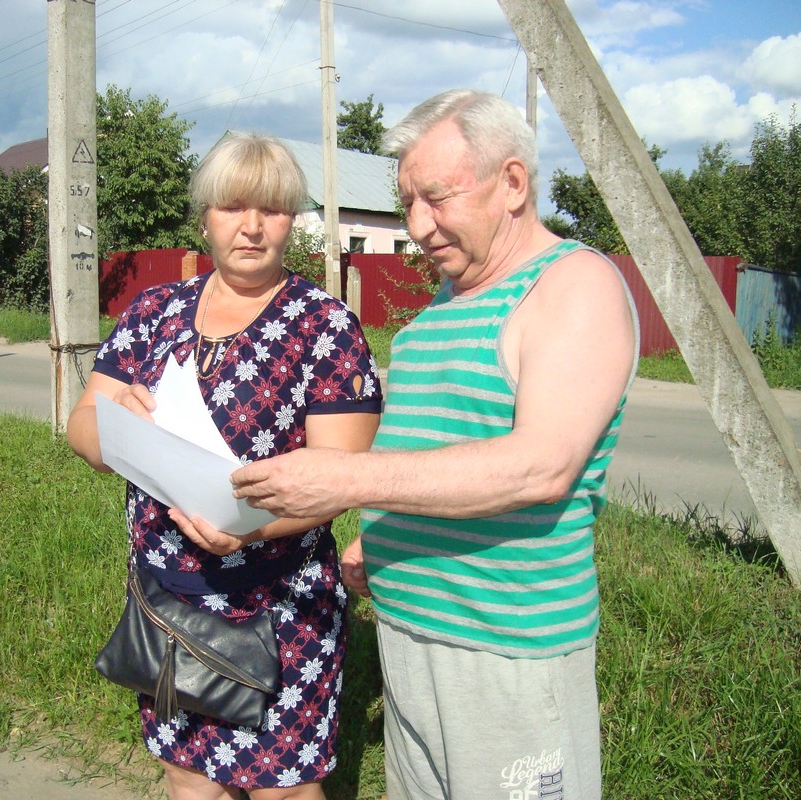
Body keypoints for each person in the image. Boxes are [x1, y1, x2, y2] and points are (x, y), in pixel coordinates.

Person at [232, 90, 639, 800]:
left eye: (435, 198)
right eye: (406, 201)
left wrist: (345, 483)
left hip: (504, 653)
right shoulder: (437, 316)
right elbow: (437, 457)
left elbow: (539, 466)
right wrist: (380, 538)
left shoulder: (572, 285)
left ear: (511, 183)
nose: (417, 225)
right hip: (406, 636)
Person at [66, 132, 382, 800]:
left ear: (290, 220)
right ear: (204, 216)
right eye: (232, 207)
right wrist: (118, 422)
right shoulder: (152, 313)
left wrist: (249, 531)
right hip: (168, 596)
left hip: (277, 601)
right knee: (189, 780)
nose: (251, 225)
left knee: (283, 789)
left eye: (270, 209)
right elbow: (82, 431)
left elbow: (339, 477)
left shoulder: (323, 326)